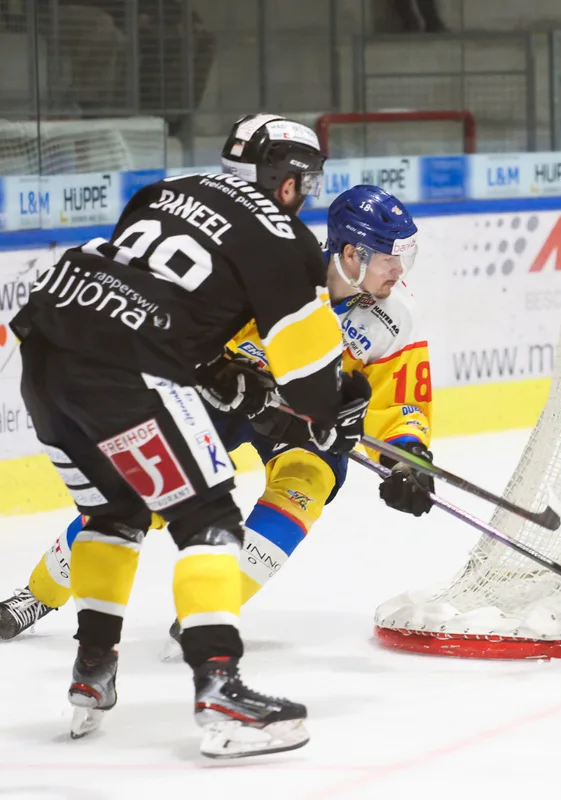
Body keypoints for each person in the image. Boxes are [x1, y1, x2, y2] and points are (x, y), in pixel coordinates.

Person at [6, 112, 372, 758]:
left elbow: (157, 297)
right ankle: (219, 686)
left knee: (112, 512)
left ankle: (93, 671)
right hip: (124, 373)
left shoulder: (162, 192)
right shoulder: (282, 238)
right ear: (285, 183)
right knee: (208, 518)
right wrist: (338, 411)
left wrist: (226, 376)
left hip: (44, 358)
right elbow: (313, 388)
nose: (304, 196)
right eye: (304, 183)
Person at [0, 184, 435, 650]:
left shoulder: (395, 318)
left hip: (303, 418)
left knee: (306, 481)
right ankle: (38, 594)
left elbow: (404, 402)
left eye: (403, 257)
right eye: (390, 257)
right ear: (352, 252)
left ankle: (209, 608)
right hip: (227, 393)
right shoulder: (278, 275)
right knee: (141, 489)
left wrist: (409, 460)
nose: (399, 270)